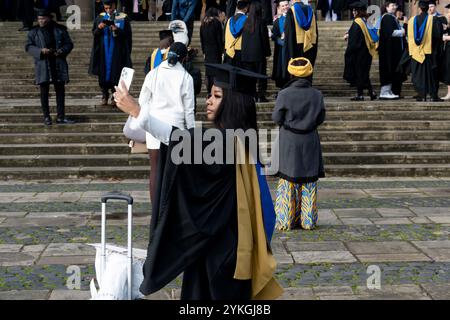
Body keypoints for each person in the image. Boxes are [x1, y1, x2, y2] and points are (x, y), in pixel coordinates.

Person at [113, 63, 283, 300]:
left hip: (223, 254)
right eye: (209, 95)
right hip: (224, 248)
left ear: (232, 102)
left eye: (217, 96)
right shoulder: (241, 140)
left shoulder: (227, 141)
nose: (209, 101)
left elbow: (178, 139)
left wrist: (138, 111)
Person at [271, 57, 325, 231]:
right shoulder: (317, 95)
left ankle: (285, 219)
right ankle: (308, 220)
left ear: (290, 73)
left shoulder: (284, 94)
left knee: (287, 179)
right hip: (309, 139)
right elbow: (321, 118)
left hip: (289, 139)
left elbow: (276, 117)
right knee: (309, 180)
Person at [141, 42, 196, 203]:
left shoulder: (153, 73)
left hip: (154, 125)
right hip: (176, 128)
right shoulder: (186, 77)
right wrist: (191, 131)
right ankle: (172, 210)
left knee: (155, 169)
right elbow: (189, 110)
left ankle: (156, 211)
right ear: (185, 58)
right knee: (175, 173)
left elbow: (142, 101)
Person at [25, 9, 74, 125]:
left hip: (58, 62)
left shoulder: (60, 30)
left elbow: (69, 44)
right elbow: (28, 46)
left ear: (49, 18)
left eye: (43, 18)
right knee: (44, 91)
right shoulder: (34, 31)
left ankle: (61, 116)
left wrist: (62, 51)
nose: (41, 21)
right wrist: (40, 51)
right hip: (43, 63)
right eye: (39, 19)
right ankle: (46, 117)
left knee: (60, 91)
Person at [89, 0, 133, 106]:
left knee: (115, 73)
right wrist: (99, 28)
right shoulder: (100, 17)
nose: (108, 10)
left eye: (110, 7)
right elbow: (94, 33)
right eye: (106, 8)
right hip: (103, 51)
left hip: (116, 51)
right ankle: (104, 95)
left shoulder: (123, 17)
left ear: (114, 5)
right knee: (103, 74)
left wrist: (116, 29)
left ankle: (114, 96)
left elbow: (127, 36)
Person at [407, 0, 444, 102]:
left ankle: (421, 95)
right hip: (430, 52)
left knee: (418, 75)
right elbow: (438, 36)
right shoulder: (434, 20)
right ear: (428, 9)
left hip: (415, 53)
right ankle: (433, 96)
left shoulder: (411, 21)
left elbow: (409, 38)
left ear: (419, 8)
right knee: (431, 75)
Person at [343, 1, 378, 101]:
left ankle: (361, 94)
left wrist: (349, 51)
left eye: (354, 10)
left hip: (359, 53)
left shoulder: (357, 22)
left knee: (360, 73)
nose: (353, 12)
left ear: (358, 11)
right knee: (364, 74)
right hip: (367, 52)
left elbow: (355, 40)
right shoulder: (365, 20)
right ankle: (370, 93)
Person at [241, 0, 271, 102]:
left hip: (247, 54)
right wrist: (267, 52)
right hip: (259, 54)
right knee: (261, 75)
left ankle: (252, 95)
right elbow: (264, 39)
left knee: (250, 76)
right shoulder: (261, 22)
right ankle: (261, 95)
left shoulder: (245, 22)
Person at [282, 0, 318, 83]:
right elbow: (316, 31)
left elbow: (289, 33)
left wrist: (289, 50)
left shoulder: (291, 11)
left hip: (296, 45)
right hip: (310, 44)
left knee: (297, 68)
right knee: (307, 66)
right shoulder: (310, 10)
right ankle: (308, 85)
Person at [378, 0, 407, 99]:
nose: (394, 7)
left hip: (392, 51)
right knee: (387, 69)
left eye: (395, 5)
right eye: (392, 5)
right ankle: (384, 92)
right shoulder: (387, 17)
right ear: (386, 7)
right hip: (387, 51)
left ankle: (389, 91)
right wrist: (402, 31)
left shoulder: (392, 17)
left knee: (392, 70)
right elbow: (389, 32)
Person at [200, 7, 225, 93]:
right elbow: (219, 39)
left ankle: (208, 91)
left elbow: (202, 40)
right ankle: (215, 90)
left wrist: (203, 52)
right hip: (215, 51)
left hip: (207, 51)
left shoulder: (203, 24)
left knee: (209, 72)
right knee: (216, 72)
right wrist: (221, 51)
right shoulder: (216, 23)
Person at [271, 0, 290, 89]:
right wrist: (280, 41)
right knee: (281, 69)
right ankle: (282, 89)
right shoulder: (277, 21)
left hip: (291, 49)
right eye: (282, 6)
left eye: (286, 5)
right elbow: (274, 36)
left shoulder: (294, 19)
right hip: (280, 50)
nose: (285, 7)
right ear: (279, 8)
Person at [440, 3, 450, 100]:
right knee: (448, 70)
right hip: (448, 49)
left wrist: (447, 37)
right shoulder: (447, 22)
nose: (448, 13)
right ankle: (449, 93)